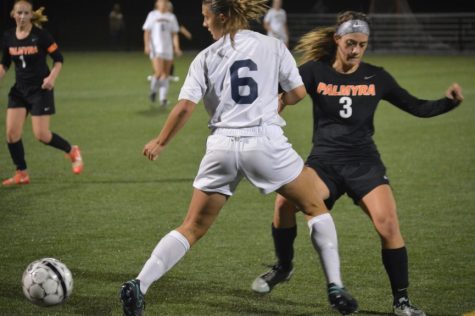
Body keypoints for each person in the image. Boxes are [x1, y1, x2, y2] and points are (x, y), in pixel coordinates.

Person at [119, 1, 357, 315]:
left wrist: (161, 141)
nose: (203, 24)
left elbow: (185, 107)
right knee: (314, 207)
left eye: (205, 17)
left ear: (222, 15)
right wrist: (275, 102)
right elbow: (298, 93)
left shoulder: (205, 57)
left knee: (192, 226)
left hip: (222, 148)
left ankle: (140, 284)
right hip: (265, 143)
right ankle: (335, 286)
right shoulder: (272, 45)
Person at [251, 11, 464, 316]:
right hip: (323, 163)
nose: (355, 50)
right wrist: (269, 117)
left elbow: (416, 106)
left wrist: (449, 102)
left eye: (362, 45)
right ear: (337, 39)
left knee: (388, 225)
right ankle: (283, 267)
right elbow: (282, 97)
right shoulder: (314, 71)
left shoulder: (377, 77)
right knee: (284, 203)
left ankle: (401, 301)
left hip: (364, 164)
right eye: (350, 42)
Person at [0, 0, 83, 186]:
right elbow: (5, 62)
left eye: (25, 13)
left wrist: (51, 78)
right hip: (19, 91)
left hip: (40, 90)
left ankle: (72, 150)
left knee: (42, 135)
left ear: (31, 15)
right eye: (19, 13)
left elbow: (58, 59)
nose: (22, 16)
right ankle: (21, 173)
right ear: (13, 14)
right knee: (12, 134)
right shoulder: (8, 37)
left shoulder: (41, 36)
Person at [143, 0, 182, 107]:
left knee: (166, 74)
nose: (164, 4)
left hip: (168, 49)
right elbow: (147, 31)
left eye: (165, 2)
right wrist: (146, 45)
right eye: (161, 2)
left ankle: (163, 99)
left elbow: (174, 34)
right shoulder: (152, 15)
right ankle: (153, 91)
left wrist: (177, 47)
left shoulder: (171, 17)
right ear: (157, 4)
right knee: (159, 73)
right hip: (156, 48)